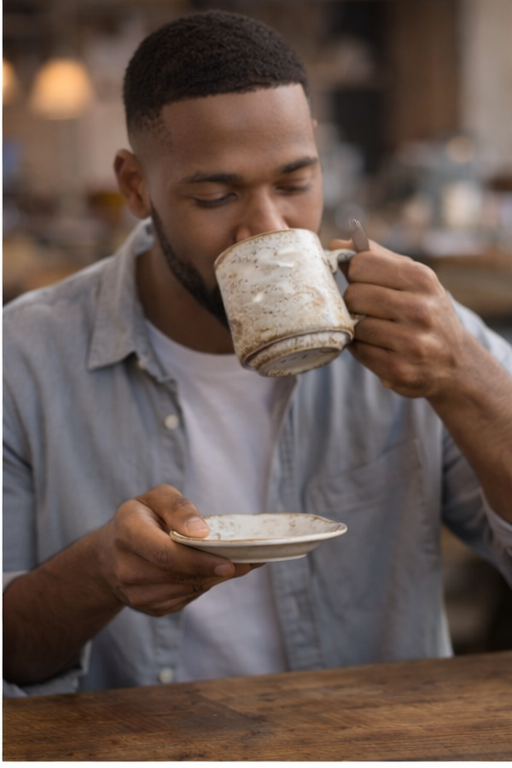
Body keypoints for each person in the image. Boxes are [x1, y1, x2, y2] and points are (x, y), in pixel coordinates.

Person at [3, 10, 512, 698]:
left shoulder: (423, 336)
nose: (267, 228)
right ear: (136, 187)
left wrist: (468, 378)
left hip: (373, 737)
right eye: (216, 195)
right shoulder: (23, 361)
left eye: (295, 184)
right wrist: (95, 577)